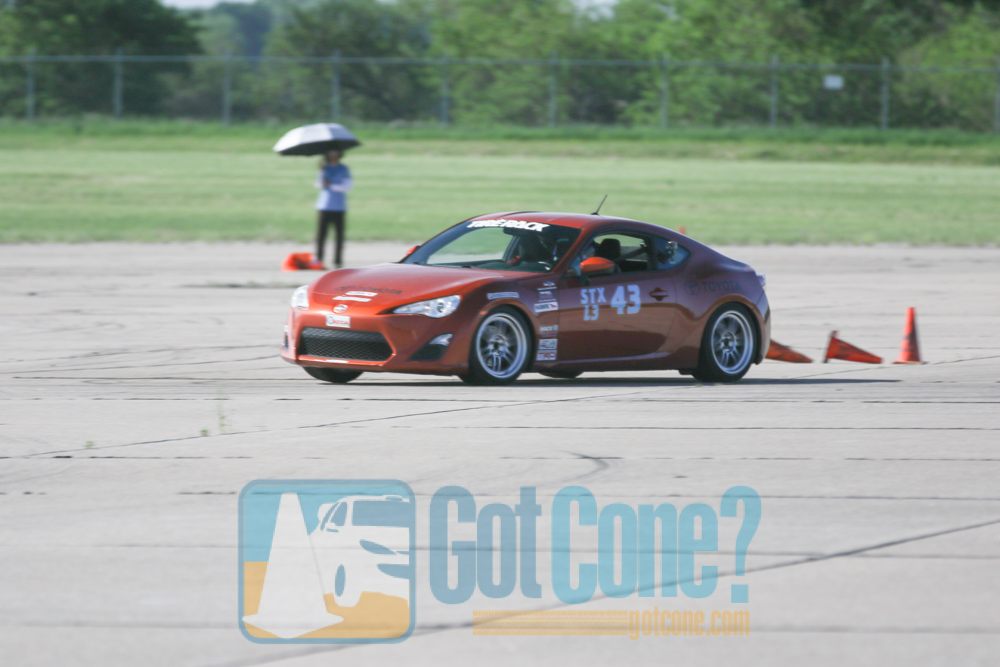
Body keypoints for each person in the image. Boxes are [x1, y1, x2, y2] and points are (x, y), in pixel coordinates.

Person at [314, 149, 353, 268]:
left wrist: (331, 185)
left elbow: (346, 187)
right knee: (321, 235)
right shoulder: (325, 169)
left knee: (339, 235)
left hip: (339, 206)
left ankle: (338, 260)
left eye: (335, 152)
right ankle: (319, 259)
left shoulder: (343, 169)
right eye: (330, 152)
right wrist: (321, 171)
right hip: (324, 205)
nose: (333, 155)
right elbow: (319, 185)